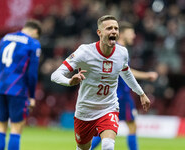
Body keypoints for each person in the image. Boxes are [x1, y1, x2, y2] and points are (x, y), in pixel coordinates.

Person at [51, 15, 150, 150]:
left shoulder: (122, 52)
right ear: (99, 32)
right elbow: (55, 75)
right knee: (83, 148)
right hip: (85, 110)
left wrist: (141, 93)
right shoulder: (84, 52)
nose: (113, 31)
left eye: (116, 28)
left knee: (108, 145)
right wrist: (69, 81)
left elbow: (127, 74)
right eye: (109, 28)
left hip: (108, 107)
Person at [91, 22, 158, 150]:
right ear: (122, 34)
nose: (133, 36)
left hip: (113, 94)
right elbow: (126, 72)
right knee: (130, 126)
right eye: (131, 32)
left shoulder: (114, 49)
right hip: (121, 95)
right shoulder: (120, 50)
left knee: (106, 128)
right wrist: (147, 75)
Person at [0, 19, 42, 150]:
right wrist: (32, 96)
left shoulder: (5, 38)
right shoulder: (33, 43)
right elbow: (32, 73)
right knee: (16, 127)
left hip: (0, 87)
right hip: (17, 89)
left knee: (1, 127)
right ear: (36, 31)